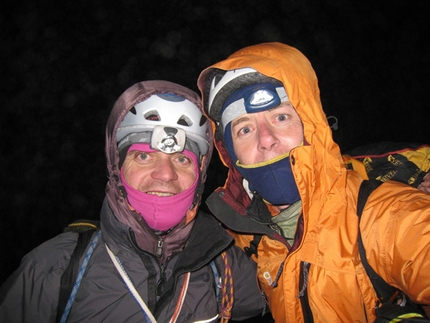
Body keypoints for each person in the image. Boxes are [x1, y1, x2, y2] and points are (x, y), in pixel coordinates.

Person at [196, 42, 430, 322]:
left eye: (281, 117)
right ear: (230, 153)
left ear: (312, 126)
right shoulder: (241, 238)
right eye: (245, 128)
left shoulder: (387, 217)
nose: (266, 139)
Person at [0, 80, 266, 322]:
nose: (165, 174)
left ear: (200, 176)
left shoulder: (223, 265)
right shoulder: (57, 267)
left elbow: (293, 293)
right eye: (144, 156)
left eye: (182, 159)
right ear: (117, 169)